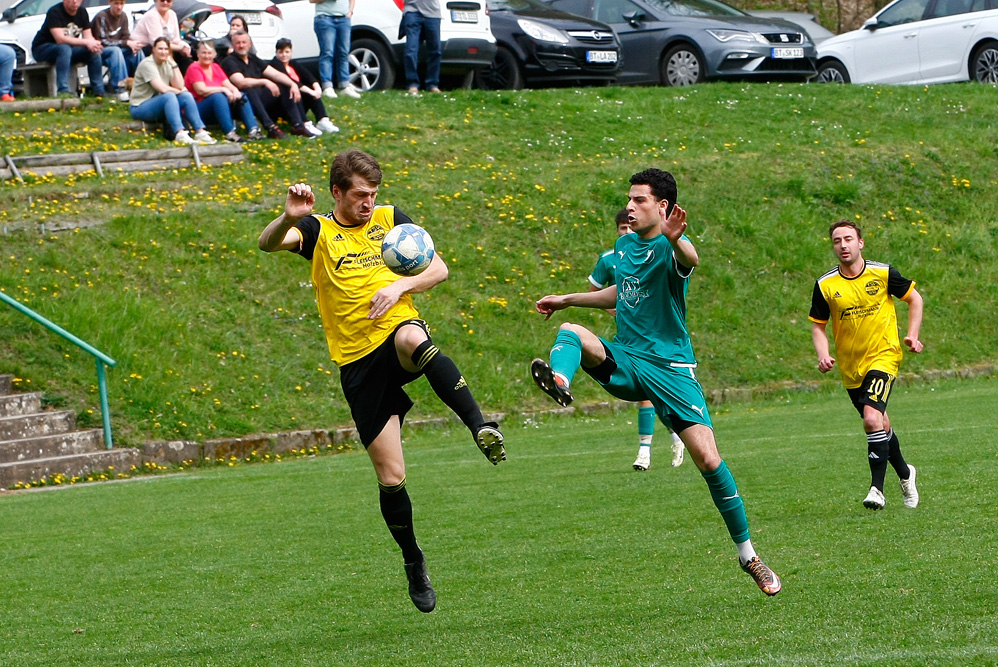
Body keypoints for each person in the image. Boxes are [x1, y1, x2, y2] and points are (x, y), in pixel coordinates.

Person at [258, 149, 506, 612]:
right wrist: (286, 216)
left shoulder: (393, 221)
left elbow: (439, 268)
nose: (368, 203)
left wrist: (398, 287)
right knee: (392, 477)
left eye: (373, 194)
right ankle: (414, 560)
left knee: (414, 337)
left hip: (394, 332)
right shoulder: (317, 230)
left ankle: (479, 425)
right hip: (356, 363)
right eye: (358, 195)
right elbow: (267, 244)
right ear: (336, 192)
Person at [531, 168, 781, 596]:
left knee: (709, 461)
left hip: (671, 370)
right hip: (629, 359)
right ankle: (559, 380)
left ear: (662, 207)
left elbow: (691, 259)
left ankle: (749, 557)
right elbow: (620, 293)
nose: (630, 206)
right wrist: (567, 297)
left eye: (640, 200)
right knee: (571, 330)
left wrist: (674, 237)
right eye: (629, 199)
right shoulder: (624, 245)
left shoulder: (671, 249)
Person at [809, 219, 923, 511]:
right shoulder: (825, 285)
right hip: (851, 368)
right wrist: (823, 355)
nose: (843, 245)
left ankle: (877, 490)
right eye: (837, 240)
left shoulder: (882, 273)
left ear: (860, 242)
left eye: (848, 239)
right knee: (881, 424)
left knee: (871, 419)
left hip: (884, 357)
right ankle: (906, 473)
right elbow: (818, 326)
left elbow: (915, 299)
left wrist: (912, 335)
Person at [589, 208, 685, 472]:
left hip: (657, 338)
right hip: (629, 337)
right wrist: (620, 309)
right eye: (622, 227)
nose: (627, 231)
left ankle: (659, 445)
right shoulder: (611, 258)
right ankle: (653, 447)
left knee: (654, 395)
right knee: (649, 394)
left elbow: (686, 263)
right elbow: (597, 291)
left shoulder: (661, 248)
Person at [221, 30, 312, 140]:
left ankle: (297, 125)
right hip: (242, 104)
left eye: (244, 42)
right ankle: (270, 127)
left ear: (250, 44)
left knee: (284, 85)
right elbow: (240, 82)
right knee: (249, 90)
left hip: (261, 100)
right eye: (238, 43)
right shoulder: (229, 61)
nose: (241, 45)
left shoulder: (253, 58)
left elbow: (275, 74)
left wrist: (293, 84)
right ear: (233, 45)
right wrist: (265, 81)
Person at [129, 36, 216, 145]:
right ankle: (179, 132)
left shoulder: (167, 63)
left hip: (158, 104)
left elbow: (179, 85)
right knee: (170, 96)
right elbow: (162, 88)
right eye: (160, 49)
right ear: (154, 50)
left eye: (166, 49)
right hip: (140, 107)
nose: (163, 52)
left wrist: (174, 64)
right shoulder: (148, 64)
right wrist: (180, 91)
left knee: (186, 96)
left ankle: (200, 131)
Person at [31, 0, 114, 97]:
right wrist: (87, 42)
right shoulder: (55, 12)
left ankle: (99, 91)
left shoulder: (82, 12)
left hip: (67, 50)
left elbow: (88, 37)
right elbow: (60, 39)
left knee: (92, 52)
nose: (74, 1)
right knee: (64, 48)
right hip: (42, 49)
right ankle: (63, 90)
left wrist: (94, 45)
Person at [184, 39, 262, 142]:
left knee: (241, 95)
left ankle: (253, 130)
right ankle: (230, 133)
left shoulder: (215, 67)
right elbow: (201, 90)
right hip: (198, 109)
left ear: (214, 54)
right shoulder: (194, 68)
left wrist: (234, 91)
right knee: (218, 96)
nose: (207, 56)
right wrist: (223, 89)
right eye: (204, 53)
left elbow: (228, 84)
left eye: (209, 53)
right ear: (198, 54)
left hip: (218, 108)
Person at [270, 38, 339, 135]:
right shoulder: (275, 65)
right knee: (297, 91)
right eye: (281, 52)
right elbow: (292, 82)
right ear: (276, 52)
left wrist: (317, 88)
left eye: (287, 52)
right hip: (284, 103)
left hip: (299, 100)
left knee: (309, 89)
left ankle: (322, 119)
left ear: (291, 52)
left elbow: (308, 76)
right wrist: (311, 92)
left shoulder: (293, 63)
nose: (284, 55)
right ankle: (304, 123)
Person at [91, 0, 142, 98]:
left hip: (117, 49)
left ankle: (141, 85)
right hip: (100, 51)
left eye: (121, 4)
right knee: (116, 51)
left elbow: (126, 36)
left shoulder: (123, 16)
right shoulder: (102, 17)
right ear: (110, 2)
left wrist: (133, 45)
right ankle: (121, 88)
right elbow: (103, 41)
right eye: (116, 3)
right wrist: (126, 43)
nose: (119, 7)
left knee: (136, 51)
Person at [312, 0, 360, 98]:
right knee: (327, 53)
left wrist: (350, 11)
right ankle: (327, 87)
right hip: (325, 17)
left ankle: (345, 85)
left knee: (344, 53)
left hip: (344, 19)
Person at [131, 0, 192, 73]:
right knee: (177, 56)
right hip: (144, 48)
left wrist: (185, 47)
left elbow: (176, 39)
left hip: (164, 46)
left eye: (168, 1)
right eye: (162, 0)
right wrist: (180, 48)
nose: (165, 3)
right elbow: (157, 42)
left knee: (189, 55)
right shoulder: (152, 15)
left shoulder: (172, 14)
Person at [401, 0, 442, 95]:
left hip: (433, 12)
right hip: (412, 10)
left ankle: (433, 84)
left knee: (435, 50)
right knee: (411, 49)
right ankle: (412, 84)